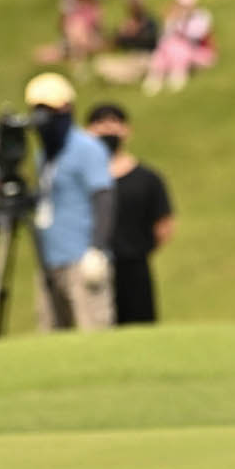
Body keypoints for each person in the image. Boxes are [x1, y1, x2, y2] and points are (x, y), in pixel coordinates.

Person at [24, 72, 115, 332]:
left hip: (82, 258)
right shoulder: (44, 155)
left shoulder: (87, 148)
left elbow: (104, 198)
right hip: (50, 259)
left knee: (92, 331)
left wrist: (97, 249)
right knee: (51, 334)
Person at [86, 104, 174, 325]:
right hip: (91, 267)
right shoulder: (82, 178)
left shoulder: (147, 178)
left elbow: (164, 226)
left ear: (127, 130)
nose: (108, 129)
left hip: (135, 267)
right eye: (100, 123)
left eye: (114, 122)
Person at [143, 0, 215, 95]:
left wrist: (180, 26)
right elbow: (164, 36)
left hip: (196, 49)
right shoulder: (173, 17)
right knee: (165, 50)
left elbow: (196, 36)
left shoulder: (201, 16)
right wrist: (173, 20)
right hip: (171, 50)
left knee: (178, 48)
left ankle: (177, 74)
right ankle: (156, 76)